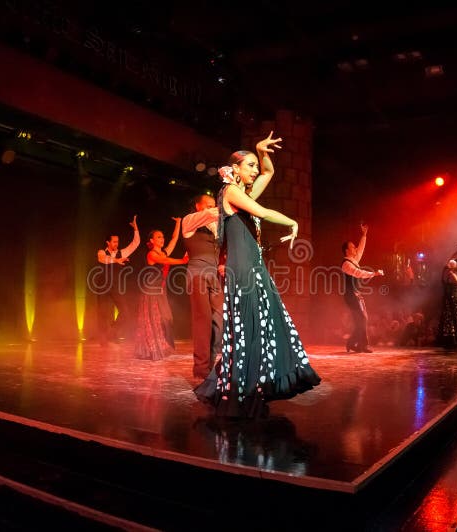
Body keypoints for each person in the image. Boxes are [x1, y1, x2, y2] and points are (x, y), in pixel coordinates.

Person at [194, 131, 321, 418]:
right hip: (243, 270)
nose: (254, 170)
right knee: (249, 329)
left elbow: (269, 171)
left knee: (264, 326)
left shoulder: (244, 192)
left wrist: (262, 151)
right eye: (249, 165)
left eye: (253, 165)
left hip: (255, 267)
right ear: (235, 169)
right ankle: (243, 388)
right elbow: (262, 213)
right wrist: (292, 222)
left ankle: (254, 385)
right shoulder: (231, 192)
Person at [134, 219, 189, 360]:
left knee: (167, 318)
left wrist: (178, 223)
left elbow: (174, 239)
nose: (162, 239)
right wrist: (182, 261)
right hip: (150, 290)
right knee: (154, 320)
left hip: (161, 290)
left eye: (162, 237)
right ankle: (152, 349)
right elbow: (166, 261)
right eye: (158, 237)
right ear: (151, 240)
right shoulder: (151, 254)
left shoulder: (164, 252)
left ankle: (165, 344)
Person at [182, 194, 223, 379]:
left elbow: (220, 248)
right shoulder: (189, 221)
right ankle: (201, 369)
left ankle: (211, 363)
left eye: (213, 205)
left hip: (213, 276)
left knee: (220, 321)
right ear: (198, 206)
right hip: (197, 274)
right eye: (207, 205)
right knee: (203, 321)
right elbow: (211, 214)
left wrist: (221, 263)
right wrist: (228, 205)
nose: (211, 207)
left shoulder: (214, 229)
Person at [95, 215, 140, 344]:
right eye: (114, 242)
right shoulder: (101, 252)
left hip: (115, 286)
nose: (116, 243)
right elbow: (103, 259)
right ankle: (103, 338)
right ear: (108, 243)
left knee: (125, 312)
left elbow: (135, 244)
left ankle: (112, 332)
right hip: (102, 285)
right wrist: (116, 260)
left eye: (117, 241)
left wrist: (136, 229)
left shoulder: (121, 252)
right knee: (102, 313)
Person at [341, 224, 384, 353]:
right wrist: (374, 274)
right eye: (352, 247)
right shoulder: (346, 264)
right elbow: (358, 273)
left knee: (361, 319)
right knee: (362, 318)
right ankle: (361, 344)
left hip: (355, 294)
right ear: (347, 251)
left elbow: (360, 250)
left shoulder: (353, 260)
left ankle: (353, 343)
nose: (355, 248)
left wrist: (364, 235)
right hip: (351, 295)